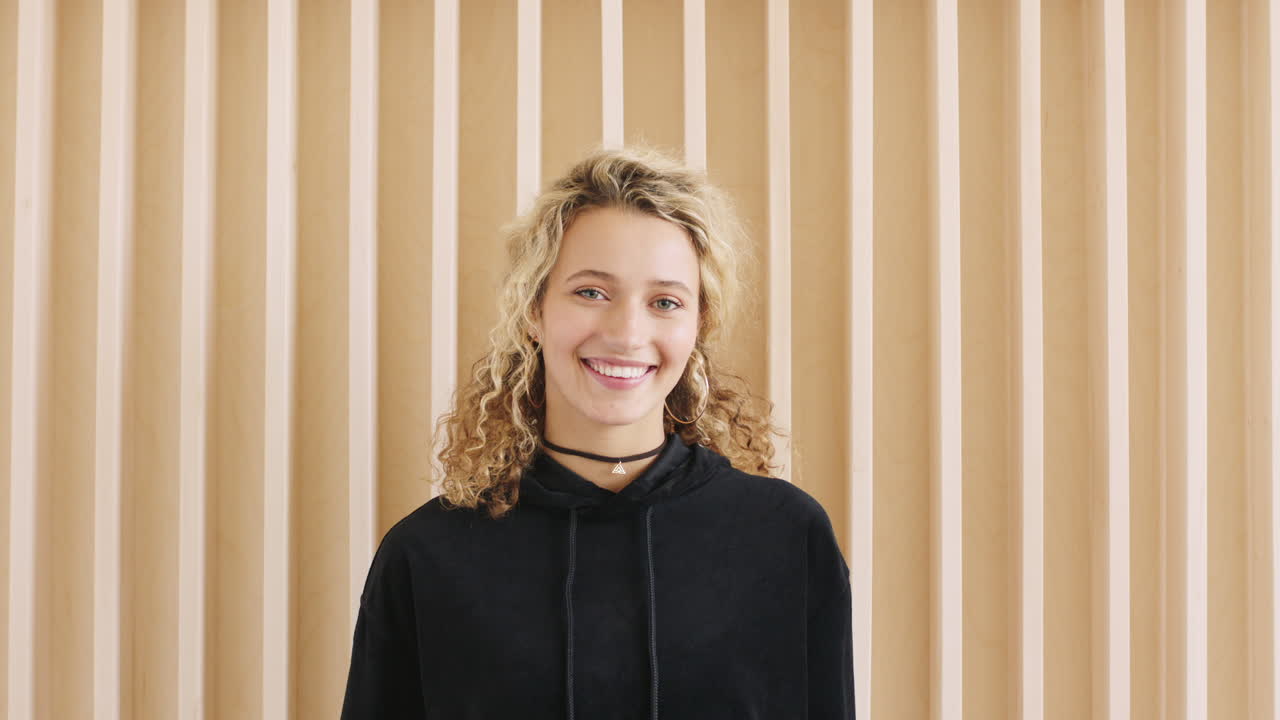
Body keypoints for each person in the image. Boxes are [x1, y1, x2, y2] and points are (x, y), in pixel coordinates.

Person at [340, 144, 855, 719]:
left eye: (665, 301)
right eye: (591, 292)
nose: (628, 333)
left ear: (697, 324)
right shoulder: (426, 554)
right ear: (533, 310)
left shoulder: (786, 536)